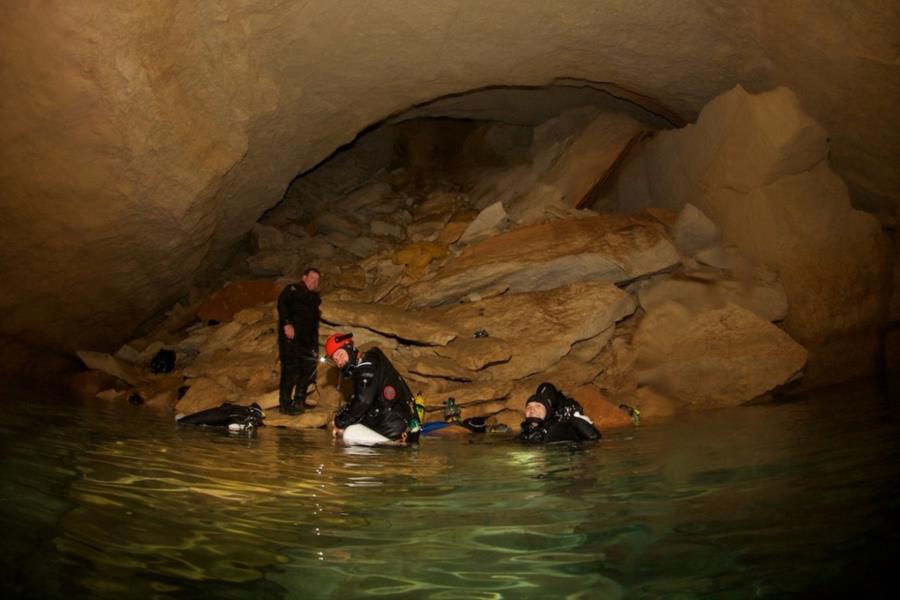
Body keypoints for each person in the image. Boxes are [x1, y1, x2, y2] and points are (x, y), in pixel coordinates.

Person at [325, 332, 420, 443]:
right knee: (349, 423)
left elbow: (363, 401)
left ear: (350, 348)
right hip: (399, 425)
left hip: (398, 430)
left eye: (340, 355)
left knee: (350, 433)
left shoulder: (367, 367)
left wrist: (340, 422)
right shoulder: (371, 359)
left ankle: (391, 448)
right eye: (335, 360)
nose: (340, 362)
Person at [277, 268, 321, 414]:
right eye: (311, 278)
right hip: (291, 337)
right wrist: (287, 323)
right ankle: (285, 403)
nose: (314, 282)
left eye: (317, 280)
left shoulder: (314, 299)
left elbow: (314, 325)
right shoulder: (293, 289)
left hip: (307, 340)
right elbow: (282, 304)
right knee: (291, 369)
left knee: (309, 369)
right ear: (304, 277)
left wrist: (315, 347)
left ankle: (299, 400)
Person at [519, 382, 601, 443]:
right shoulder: (526, 433)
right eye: (528, 406)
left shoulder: (560, 427)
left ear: (548, 411)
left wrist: (572, 418)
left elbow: (594, 437)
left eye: (538, 406)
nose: (532, 409)